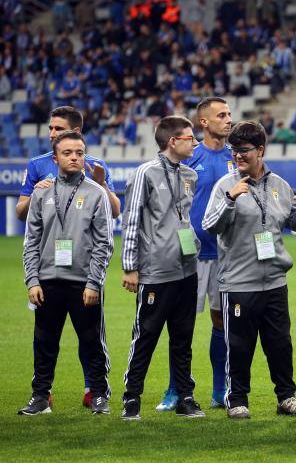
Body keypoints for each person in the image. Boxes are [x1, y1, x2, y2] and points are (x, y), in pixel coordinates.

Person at [202, 121, 296, 419]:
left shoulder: (281, 186)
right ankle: (236, 399)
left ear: (260, 150)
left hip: (275, 281)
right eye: (234, 150)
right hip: (238, 282)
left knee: (280, 345)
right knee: (239, 346)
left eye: (244, 151)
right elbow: (209, 226)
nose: (238, 156)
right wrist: (230, 199)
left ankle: (286, 398)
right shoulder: (225, 185)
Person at [16, 105, 120, 409]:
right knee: (44, 343)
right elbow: (31, 240)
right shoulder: (41, 192)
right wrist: (32, 280)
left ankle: (99, 394)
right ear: (55, 158)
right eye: (68, 153)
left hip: (83, 283)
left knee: (91, 342)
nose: (74, 157)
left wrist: (94, 282)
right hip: (47, 281)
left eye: (79, 152)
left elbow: (104, 242)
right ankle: (40, 396)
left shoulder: (97, 193)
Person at [120, 116, 204, 421]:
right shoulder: (144, 173)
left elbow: (183, 219)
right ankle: (132, 398)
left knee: (183, 337)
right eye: (189, 137)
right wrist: (130, 266)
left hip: (187, 268)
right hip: (156, 270)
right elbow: (130, 222)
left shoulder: (190, 175)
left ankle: (185, 396)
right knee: (146, 334)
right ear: (173, 141)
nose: (194, 142)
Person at [155, 97, 235, 412]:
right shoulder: (188, 157)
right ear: (204, 122)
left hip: (226, 255)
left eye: (229, 114)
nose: (228, 119)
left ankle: (220, 389)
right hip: (188, 254)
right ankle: (175, 389)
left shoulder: (235, 158)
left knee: (221, 322)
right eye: (221, 115)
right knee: (181, 323)